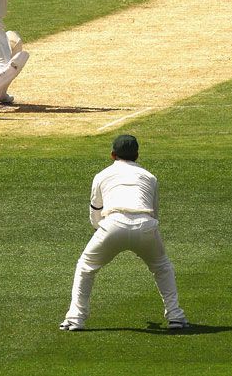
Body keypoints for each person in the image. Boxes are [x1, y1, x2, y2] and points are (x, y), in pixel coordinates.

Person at [60, 135, 188, 331]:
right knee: (163, 268)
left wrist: (102, 231)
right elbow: (154, 211)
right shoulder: (150, 177)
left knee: (86, 267)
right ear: (137, 155)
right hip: (146, 225)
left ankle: (75, 319)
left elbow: (95, 213)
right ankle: (176, 317)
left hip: (112, 225)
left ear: (112, 155)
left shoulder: (102, 175)